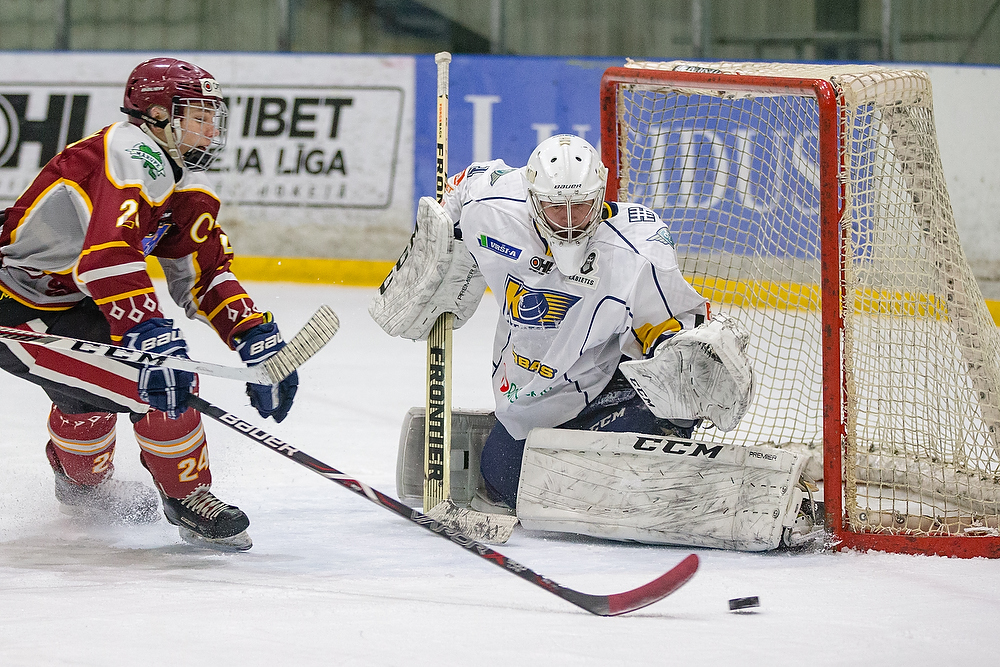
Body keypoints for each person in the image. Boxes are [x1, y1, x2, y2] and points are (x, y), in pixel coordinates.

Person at [369, 135, 795, 551]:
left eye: (582, 206)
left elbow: (679, 330)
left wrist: (686, 360)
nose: (570, 220)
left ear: (601, 192)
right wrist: (438, 250)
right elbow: (461, 190)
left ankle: (665, 450)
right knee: (501, 474)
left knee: (671, 396)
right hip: (528, 401)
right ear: (532, 196)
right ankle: (624, 469)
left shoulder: (635, 251)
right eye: (556, 207)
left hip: (607, 388)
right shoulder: (494, 208)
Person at [0, 57, 299, 552]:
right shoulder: (131, 150)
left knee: (89, 391)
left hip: (70, 299)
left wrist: (255, 337)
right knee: (156, 379)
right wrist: (149, 332)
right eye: (198, 116)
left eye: (213, 117)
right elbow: (105, 255)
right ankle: (188, 497)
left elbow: (206, 274)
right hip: (11, 301)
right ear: (157, 116)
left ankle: (82, 488)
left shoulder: (182, 185)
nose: (210, 129)